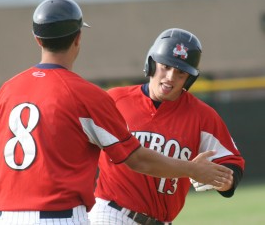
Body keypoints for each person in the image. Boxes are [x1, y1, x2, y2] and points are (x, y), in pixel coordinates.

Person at [0, 0, 233, 224]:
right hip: (63, 215)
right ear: (78, 38)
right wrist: (192, 169)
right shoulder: (88, 95)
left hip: (6, 217)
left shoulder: (8, 89)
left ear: (37, 38)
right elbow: (137, 159)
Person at [89, 28, 245, 225]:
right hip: (111, 213)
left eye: (181, 72)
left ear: (189, 79)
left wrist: (223, 181)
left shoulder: (202, 116)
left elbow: (232, 164)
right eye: (166, 66)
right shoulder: (115, 100)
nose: (171, 76)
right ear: (152, 63)